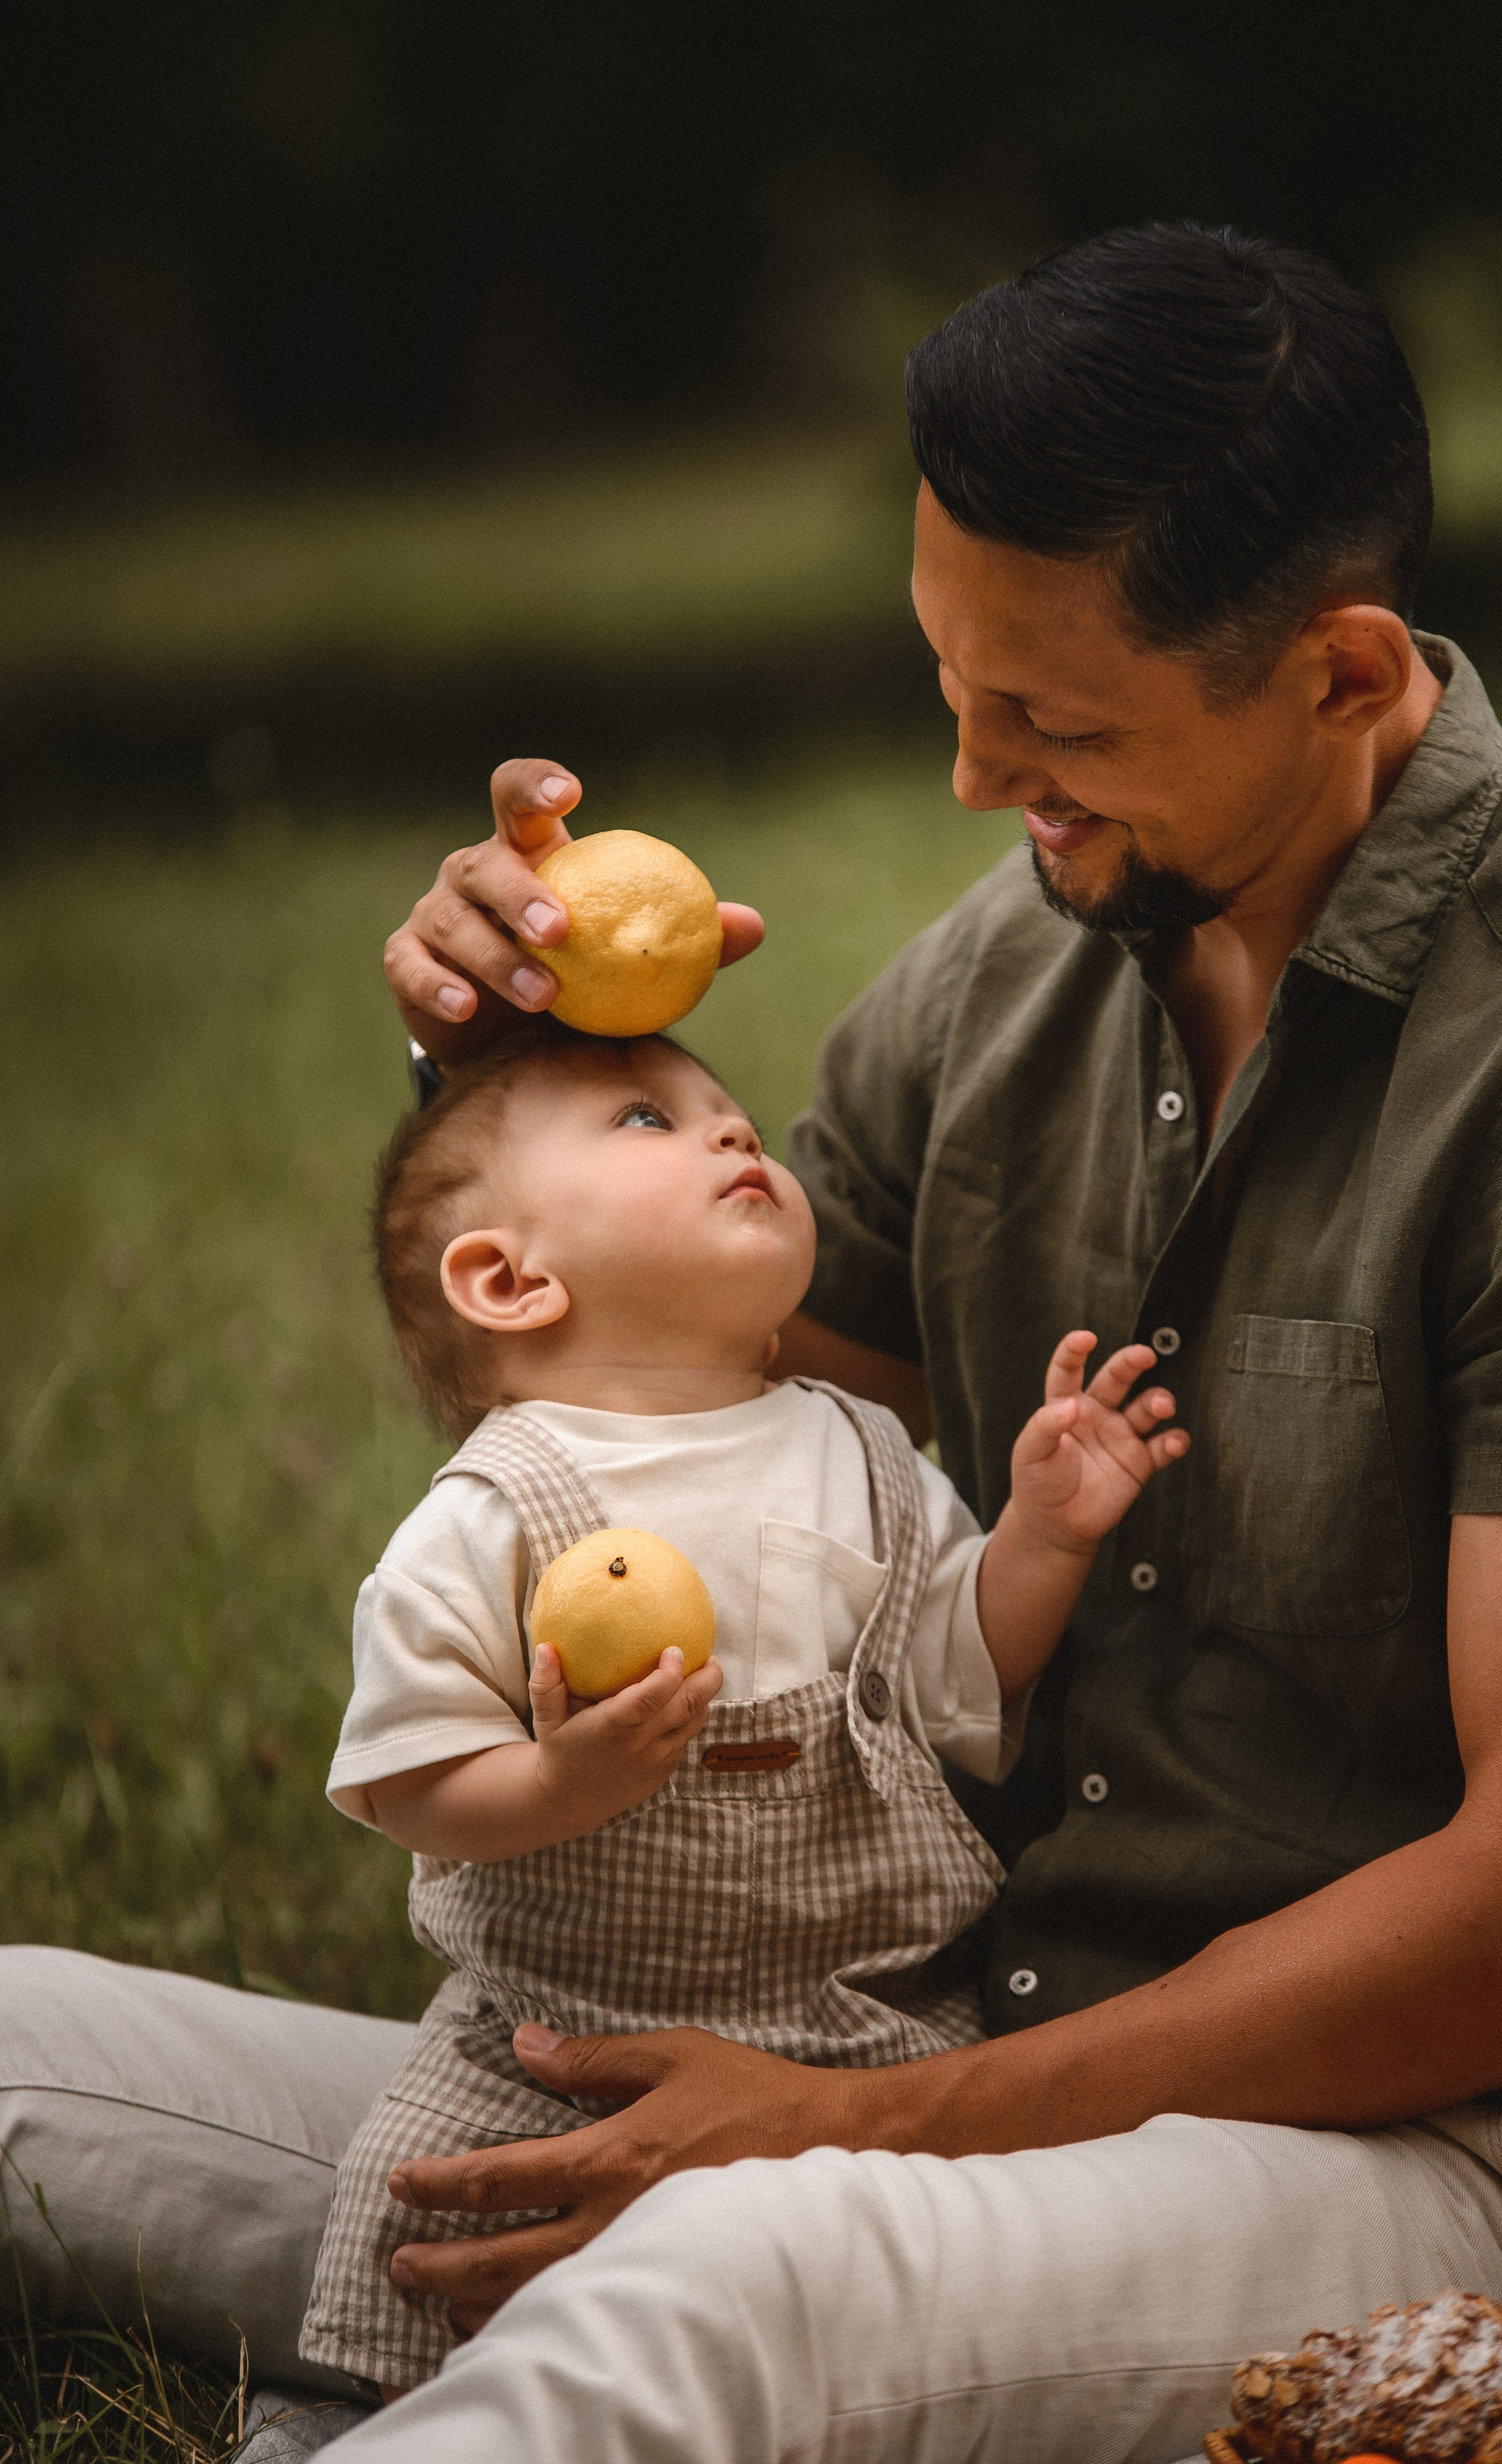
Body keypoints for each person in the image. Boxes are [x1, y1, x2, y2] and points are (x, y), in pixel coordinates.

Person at [0, 221, 1502, 2463]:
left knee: (722, 2276)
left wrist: (872, 2121)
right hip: (861, 2033)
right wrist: (505, 1089)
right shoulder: (1012, 965)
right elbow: (681, 1420)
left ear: (1338, 674)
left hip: (1421, 2154)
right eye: (954, 681)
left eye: (1051, 719)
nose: (975, 777)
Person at [297, 1023, 1184, 2391]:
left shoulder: (863, 1452)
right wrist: (550, 1788)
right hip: (553, 2052)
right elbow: (407, 1766)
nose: (731, 1134)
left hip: (873, 2033)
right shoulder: (497, 1506)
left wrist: (1041, 1541)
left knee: (856, 2326)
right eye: (650, 1122)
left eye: (736, 1116)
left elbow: (956, 1675)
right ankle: (338, 2414)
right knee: (433, 2276)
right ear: (508, 1277)